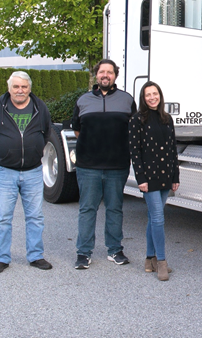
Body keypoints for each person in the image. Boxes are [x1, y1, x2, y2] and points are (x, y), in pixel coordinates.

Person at [0, 71, 54, 274]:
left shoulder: (40, 108)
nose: (20, 90)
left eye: (23, 87)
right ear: (9, 87)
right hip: (6, 172)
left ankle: (36, 256)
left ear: (29, 88)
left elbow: (47, 132)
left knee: (35, 217)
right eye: (16, 87)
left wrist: (32, 149)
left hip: (32, 172)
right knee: (3, 217)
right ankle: (2, 258)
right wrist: (5, 150)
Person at [72, 59, 136, 269]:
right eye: (102, 72)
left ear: (115, 76)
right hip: (88, 166)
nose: (105, 75)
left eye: (109, 72)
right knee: (87, 209)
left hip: (117, 166)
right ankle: (83, 253)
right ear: (96, 75)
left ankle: (115, 250)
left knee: (114, 209)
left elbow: (133, 131)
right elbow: (78, 130)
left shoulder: (127, 100)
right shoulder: (83, 100)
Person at [128, 81, 179, 281]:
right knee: (158, 218)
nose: (152, 97)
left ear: (160, 95)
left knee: (153, 217)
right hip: (148, 177)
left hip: (166, 175)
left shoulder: (167, 119)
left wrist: (176, 176)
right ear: (143, 97)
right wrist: (140, 178)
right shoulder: (137, 119)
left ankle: (150, 259)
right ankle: (162, 261)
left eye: (155, 93)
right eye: (148, 94)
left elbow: (172, 149)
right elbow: (135, 151)